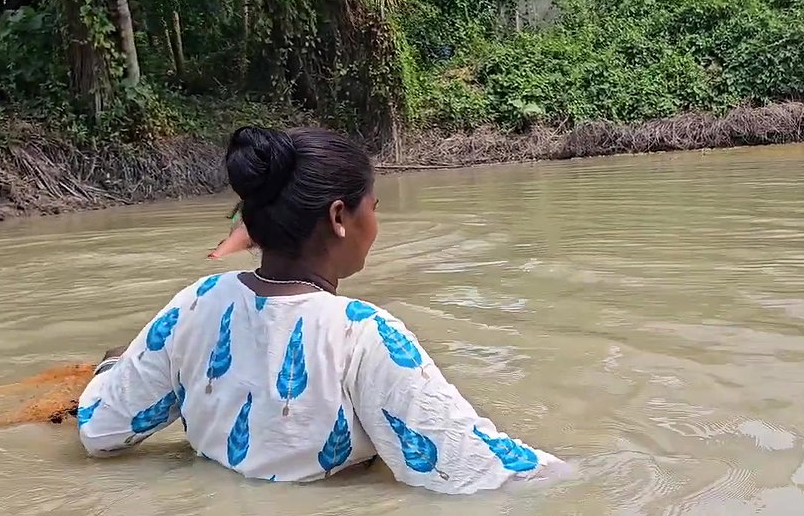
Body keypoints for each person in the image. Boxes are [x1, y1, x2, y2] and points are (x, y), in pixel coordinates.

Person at [76, 126, 567, 494]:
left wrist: (113, 369)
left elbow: (101, 432)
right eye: (373, 207)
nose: (376, 224)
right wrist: (593, 476)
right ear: (339, 217)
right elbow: (473, 471)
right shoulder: (362, 335)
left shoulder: (196, 303)